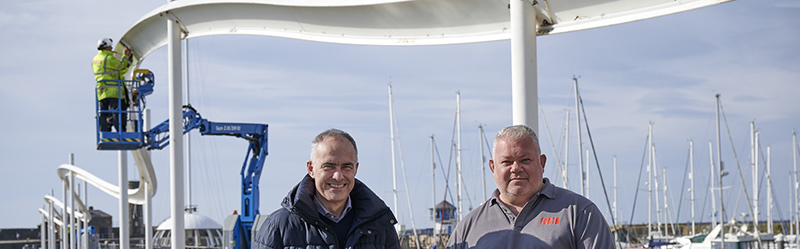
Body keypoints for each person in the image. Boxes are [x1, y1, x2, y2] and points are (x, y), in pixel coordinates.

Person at [447, 125, 614, 249]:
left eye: (525, 160)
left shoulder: (580, 213)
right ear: (492, 167)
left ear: (541, 163)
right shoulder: (467, 227)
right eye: (507, 162)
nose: (516, 168)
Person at [253, 129, 401, 249]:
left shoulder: (380, 225)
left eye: (346, 167)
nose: (338, 176)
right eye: (328, 166)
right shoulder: (278, 227)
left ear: (355, 169)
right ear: (311, 169)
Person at [92, 38, 132, 132]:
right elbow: (121, 66)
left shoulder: (95, 59)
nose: (112, 48)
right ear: (108, 47)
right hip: (113, 91)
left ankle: (104, 131)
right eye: (111, 46)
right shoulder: (109, 58)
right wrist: (125, 56)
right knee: (117, 112)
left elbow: (118, 70)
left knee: (103, 112)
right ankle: (121, 131)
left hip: (101, 91)